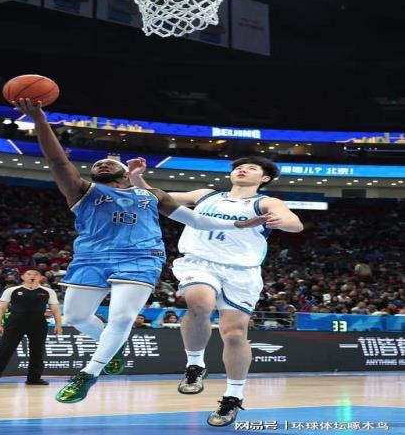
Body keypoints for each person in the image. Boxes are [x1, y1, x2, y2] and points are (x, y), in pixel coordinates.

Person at [14, 98, 267, 404]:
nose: (102, 164)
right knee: (76, 316)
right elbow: (57, 161)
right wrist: (40, 120)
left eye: (110, 163)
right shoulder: (82, 190)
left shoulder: (151, 195)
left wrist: (239, 224)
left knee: (121, 318)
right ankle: (112, 346)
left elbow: (196, 220)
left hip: (140, 259)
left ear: (124, 174)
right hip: (91, 258)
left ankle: (88, 374)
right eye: (97, 165)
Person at [128, 156, 303, 427]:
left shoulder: (265, 202)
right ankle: (195, 365)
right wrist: (136, 177)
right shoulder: (206, 195)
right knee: (200, 303)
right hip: (199, 262)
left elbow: (295, 223)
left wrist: (282, 221)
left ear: (264, 178)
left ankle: (233, 396)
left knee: (234, 335)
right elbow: (155, 197)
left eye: (251, 168)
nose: (242, 170)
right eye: (238, 167)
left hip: (242, 271)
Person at [0, 269, 62, 386]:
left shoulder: (48, 291)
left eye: (36, 274)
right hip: (15, 322)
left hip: (38, 323)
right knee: (4, 349)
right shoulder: (11, 290)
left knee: (37, 351)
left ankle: (34, 378)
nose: (32, 276)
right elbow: (2, 308)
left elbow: (55, 309)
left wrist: (58, 325)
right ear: (23, 277)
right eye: (29, 274)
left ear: (40, 278)